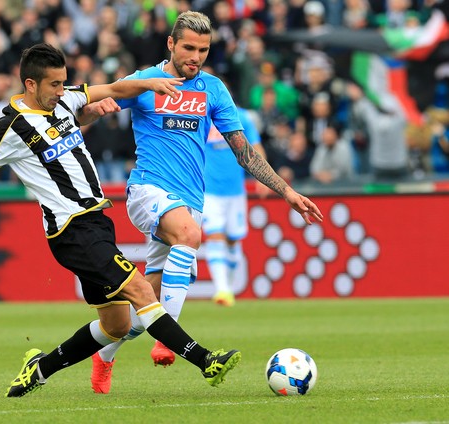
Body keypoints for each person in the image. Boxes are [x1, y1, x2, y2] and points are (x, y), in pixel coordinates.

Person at [0, 43, 242, 398]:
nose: (62, 91)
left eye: (64, 83)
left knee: (116, 325)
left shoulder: (65, 102)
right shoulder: (11, 127)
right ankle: (205, 360)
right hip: (72, 229)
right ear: (30, 84)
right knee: (141, 290)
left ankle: (39, 370)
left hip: (97, 221)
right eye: (54, 85)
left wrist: (147, 85)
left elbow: (116, 89)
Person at [91, 11, 323, 394]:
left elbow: (245, 153)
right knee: (190, 233)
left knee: (145, 303)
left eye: (203, 49)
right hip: (147, 190)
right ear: (171, 43)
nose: (195, 56)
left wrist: (287, 192)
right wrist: (93, 110)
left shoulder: (213, 90)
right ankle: (170, 339)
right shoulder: (144, 81)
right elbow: (91, 106)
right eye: (188, 48)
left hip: (189, 198)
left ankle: (105, 355)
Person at [203, 105, 265, 307]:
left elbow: (255, 146)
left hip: (235, 191)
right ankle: (222, 289)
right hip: (209, 190)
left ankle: (227, 287)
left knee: (232, 239)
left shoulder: (243, 117)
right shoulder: (200, 116)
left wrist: (262, 177)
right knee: (215, 234)